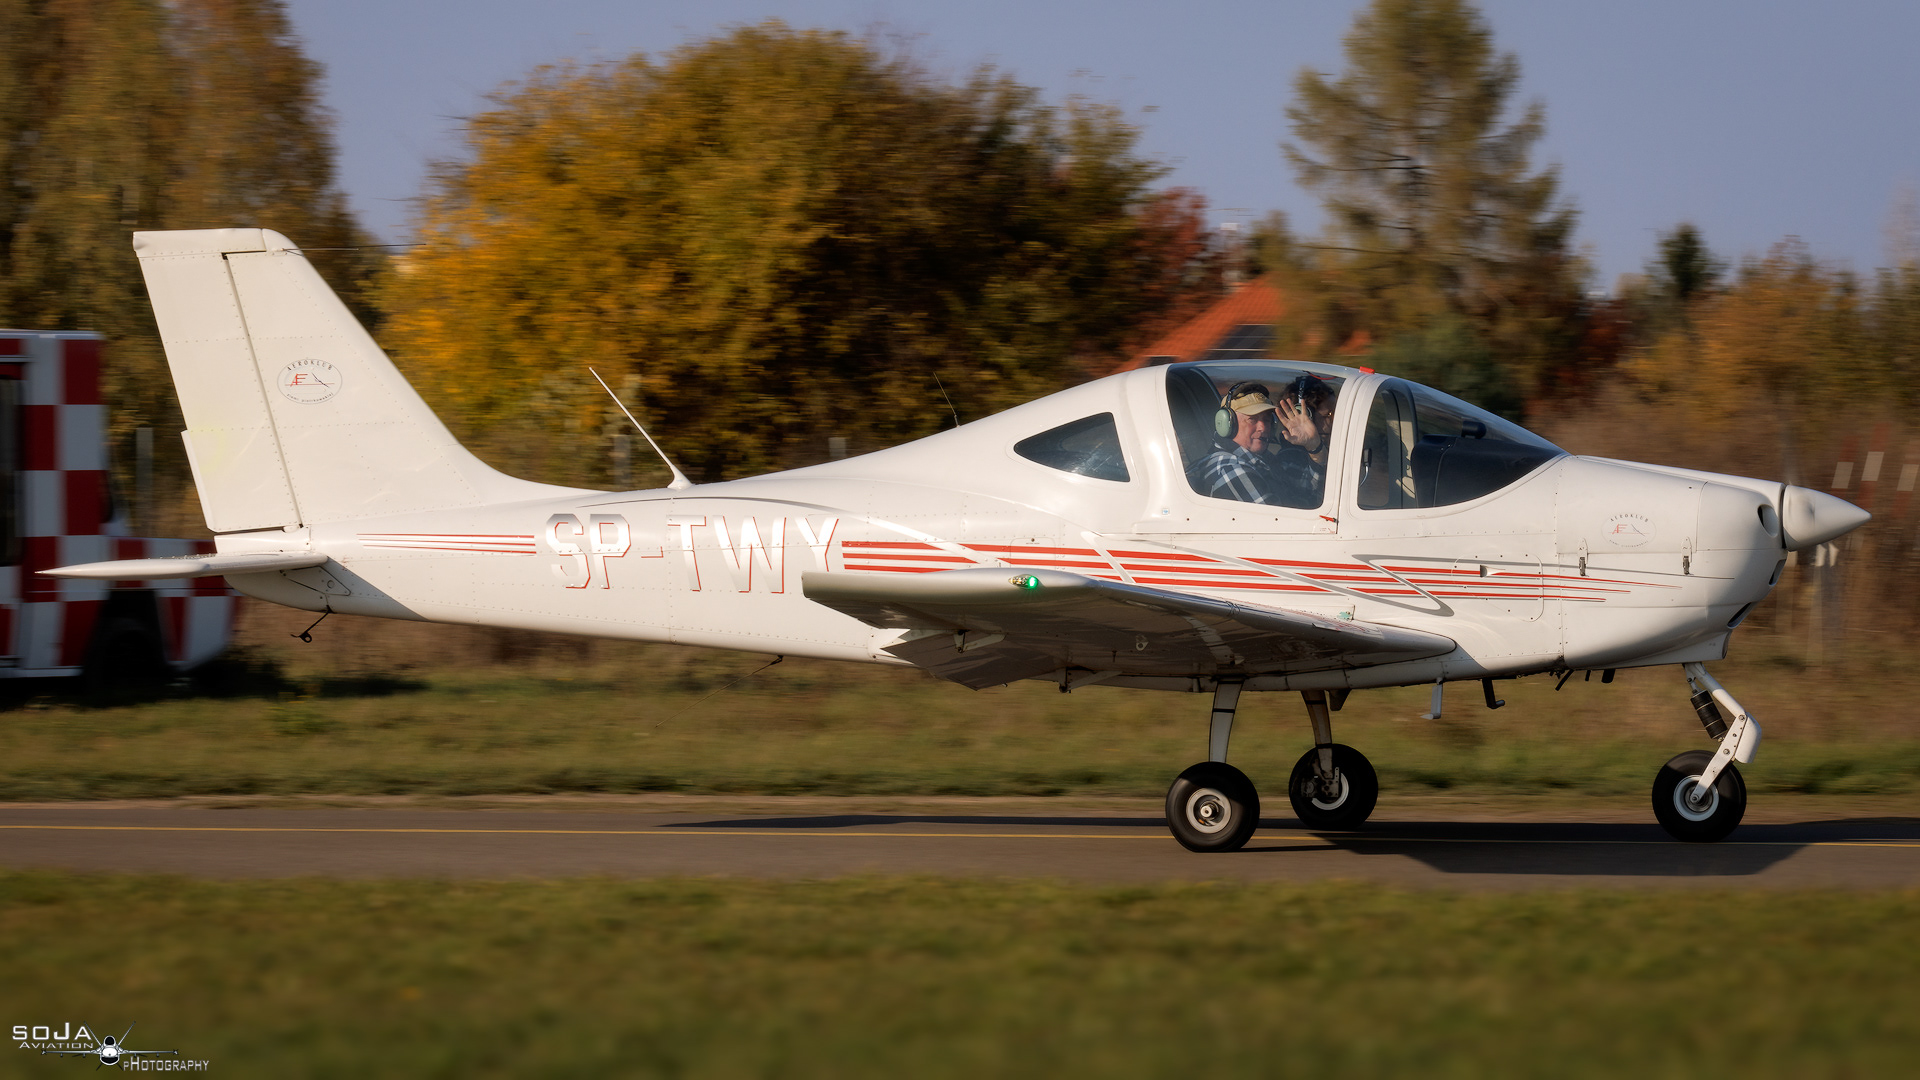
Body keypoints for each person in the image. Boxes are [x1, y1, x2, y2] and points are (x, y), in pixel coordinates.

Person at [1197, 382, 1284, 503]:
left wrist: (1309, 446)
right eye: (1252, 419)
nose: (1263, 428)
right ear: (1228, 423)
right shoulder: (1231, 468)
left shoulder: (1262, 460)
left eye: (1267, 419)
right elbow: (1280, 514)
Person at [1266, 373, 1336, 507]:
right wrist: (1316, 449)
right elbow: (1314, 499)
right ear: (1305, 417)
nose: (1334, 420)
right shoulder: (1291, 462)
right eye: (1328, 415)